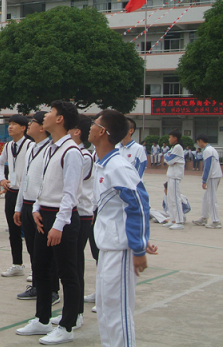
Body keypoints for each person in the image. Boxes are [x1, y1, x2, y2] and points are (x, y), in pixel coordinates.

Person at [15, 101, 83, 344]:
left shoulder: (71, 151)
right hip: (43, 214)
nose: (44, 117)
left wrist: (59, 224)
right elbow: (43, 182)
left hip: (61, 218)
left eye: (50, 113)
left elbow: (70, 192)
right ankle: (42, 319)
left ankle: (67, 326)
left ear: (60, 119)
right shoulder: (52, 148)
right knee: (40, 269)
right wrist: (35, 208)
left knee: (67, 273)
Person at [87, 109, 150, 347]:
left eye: (94, 124)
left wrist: (139, 247)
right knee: (105, 308)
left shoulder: (118, 166)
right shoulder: (101, 163)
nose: (90, 127)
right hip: (107, 247)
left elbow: (139, 206)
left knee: (118, 312)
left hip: (121, 250)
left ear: (103, 131)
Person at [50, 114, 95, 330]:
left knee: (75, 265)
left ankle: (76, 313)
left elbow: (71, 186)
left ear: (77, 131)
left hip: (82, 213)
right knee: (70, 265)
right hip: (75, 212)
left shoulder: (82, 155)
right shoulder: (70, 151)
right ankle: (70, 310)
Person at [13, 111, 57, 303]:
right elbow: (25, 180)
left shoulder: (50, 149)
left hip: (41, 206)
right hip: (28, 203)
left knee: (45, 252)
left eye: (33, 123)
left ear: (42, 128)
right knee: (32, 249)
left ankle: (52, 289)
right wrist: (18, 206)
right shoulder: (32, 148)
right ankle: (38, 286)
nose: (29, 125)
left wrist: (35, 207)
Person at [0, 114, 32, 278]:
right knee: (13, 230)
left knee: (31, 232)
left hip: (27, 193)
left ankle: (36, 267)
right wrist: (2, 179)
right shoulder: (9, 145)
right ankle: (17, 263)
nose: (10, 127)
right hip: (12, 192)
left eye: (14, 124)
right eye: (9, 124)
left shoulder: (30, 146)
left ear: (23, 128)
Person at [192, 134, 223, 229]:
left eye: (198, 142)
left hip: (212, 176)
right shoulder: (212, 149)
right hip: (215, 175)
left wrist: (204, 180)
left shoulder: (207, 151)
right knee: (206, 197)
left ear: (201, 141)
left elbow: (207, 167)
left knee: (212, 198)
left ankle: (216, 221)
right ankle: (204, 217)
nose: (198, 145)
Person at [163, 130, 185, 230]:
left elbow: (169, 160)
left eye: (170, 137)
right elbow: (166, 158)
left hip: (176, 176)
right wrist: (168, 158)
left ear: (175, 138)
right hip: (171, 176)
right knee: (170, 199)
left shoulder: (178, 147)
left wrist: (168, 158)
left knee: (176, 199)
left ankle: (179, 221)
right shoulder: (173, 148)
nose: (169, 139)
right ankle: (172, 219)